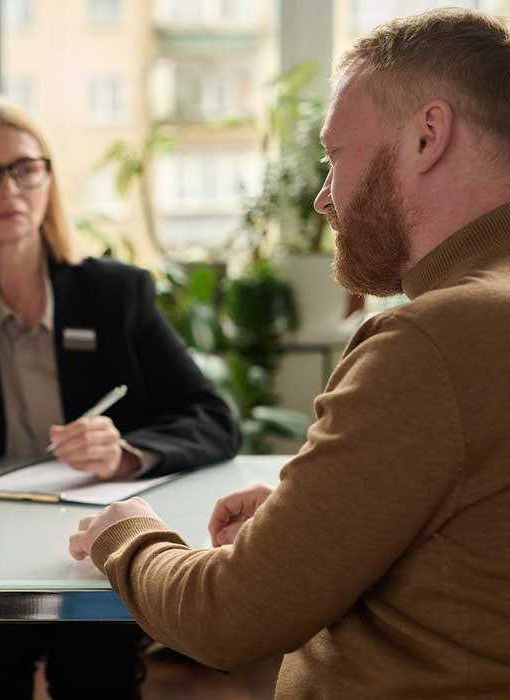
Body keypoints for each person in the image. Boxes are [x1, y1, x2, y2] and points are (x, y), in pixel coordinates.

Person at [69, 7, 510, 699]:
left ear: (428, 136)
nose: (322, 198)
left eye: (336, 158)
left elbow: (226, 617)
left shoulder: (438, 336)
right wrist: (319, 519)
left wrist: (126, 532)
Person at [0, 95, 241, 699]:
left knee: (95, 673)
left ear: (47, 181)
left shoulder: (114, 293)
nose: (8, 189)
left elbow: (213, 418)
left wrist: (127, 454)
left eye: (25, 168)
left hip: (89, 538)